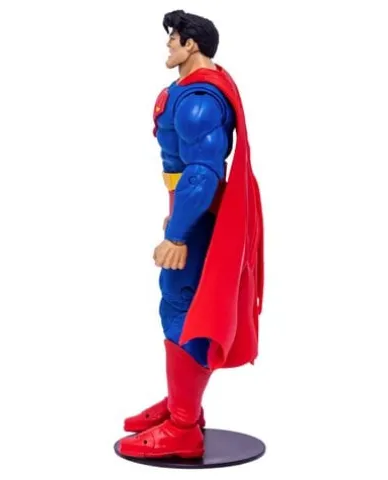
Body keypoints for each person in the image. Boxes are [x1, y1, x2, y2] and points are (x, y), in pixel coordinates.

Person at [117, 9, 264, 459]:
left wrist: (179, 234)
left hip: (199, 219)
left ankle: (182, 425)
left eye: (174, 38)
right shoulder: (187, 89)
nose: (168, 45)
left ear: (191, 44)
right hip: (189, 209)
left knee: (183, 303)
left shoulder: (199, 99)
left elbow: (201, 173)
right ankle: (183, 403)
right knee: (179, 302)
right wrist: (177, 215)